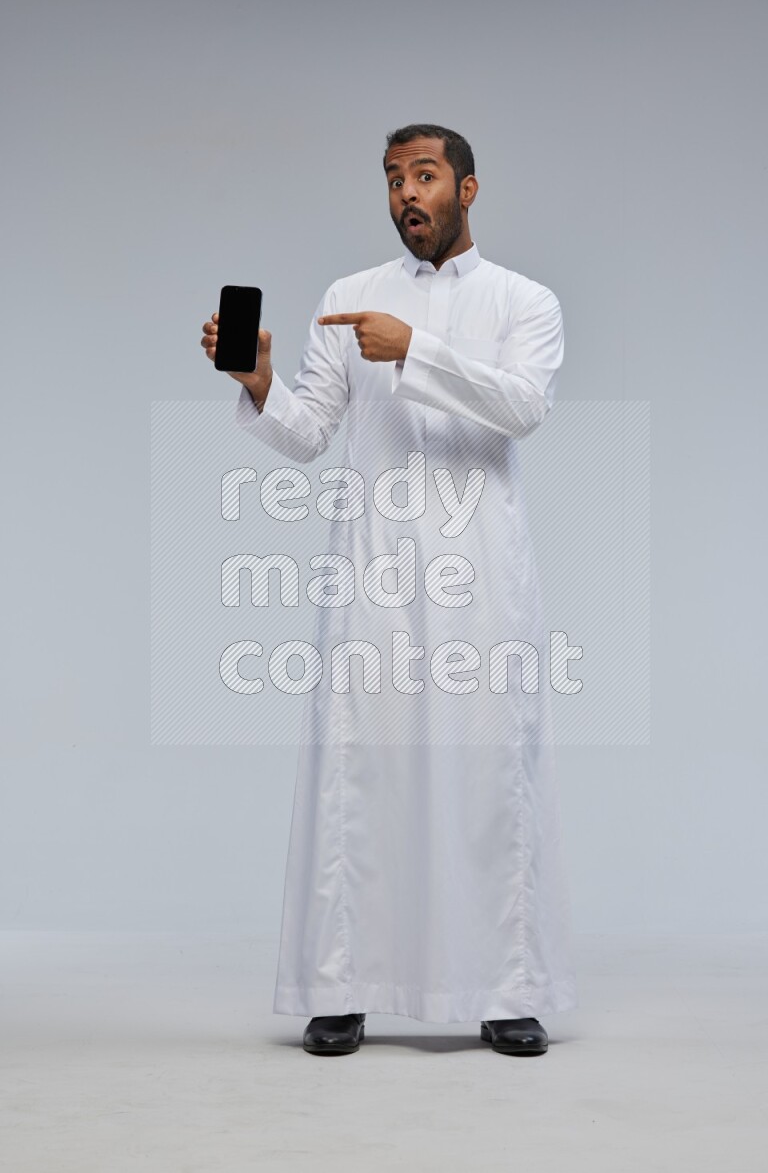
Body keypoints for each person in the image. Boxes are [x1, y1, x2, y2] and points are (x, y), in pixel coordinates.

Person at [200, 123, 577, 1057]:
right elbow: (306, 432)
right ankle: (342, 984)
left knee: (490, 772)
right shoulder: (349, 297)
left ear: (469, 189)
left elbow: (522, 406)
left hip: (479, 571)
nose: (408, 194)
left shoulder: (523, 300)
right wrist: (260, 381)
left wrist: (414, 351)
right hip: (372, 569)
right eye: (393, 180)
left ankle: (505, 989)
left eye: (425, 175)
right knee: (358, 771)